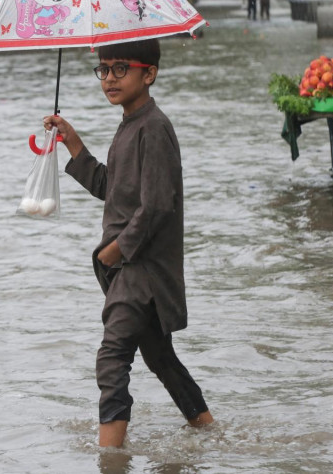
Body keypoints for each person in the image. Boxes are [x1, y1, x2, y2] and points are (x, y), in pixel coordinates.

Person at [44, 38, 213, 448]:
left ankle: (110, 458)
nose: (110, 79)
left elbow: (156, 207)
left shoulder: (153, 128)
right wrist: (74, 145)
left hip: (141, 270)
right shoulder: (131, 125)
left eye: (121, 68)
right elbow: (115, 189)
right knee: (160, 359)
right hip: (131, 268)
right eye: (103, 70)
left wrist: (115, 250)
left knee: (112, 357)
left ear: (149, 74)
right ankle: (210, 432)